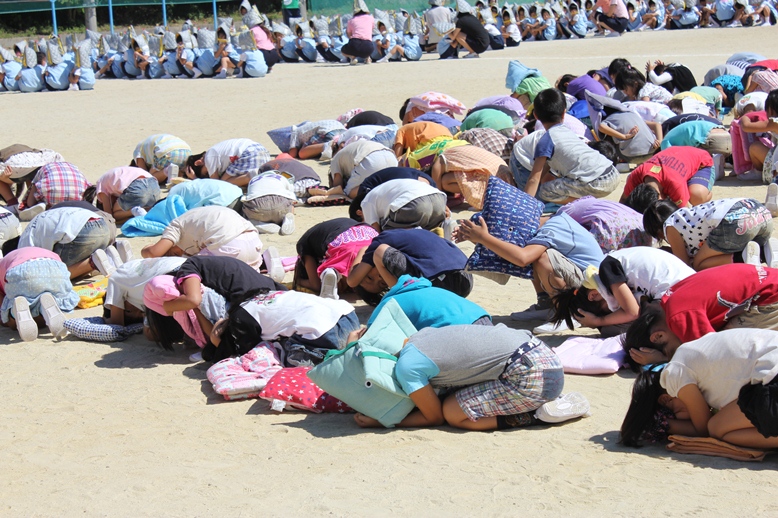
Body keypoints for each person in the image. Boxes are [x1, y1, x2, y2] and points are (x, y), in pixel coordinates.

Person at [353, 325, 574, 431]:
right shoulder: (421, 335)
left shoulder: (407, 367)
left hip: (532, 379)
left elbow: (434, 417)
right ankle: (543, 402)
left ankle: (536, 415)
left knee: (453, 412)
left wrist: (383, 421)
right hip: (546, 359)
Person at [455, 211, 604, 321]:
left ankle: (565, 313)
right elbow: (508, 250)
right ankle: (546, 304)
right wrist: (478, 239)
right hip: (587, 287)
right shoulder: (541, 225)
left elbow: (522, 258)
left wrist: (484, 237)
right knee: (528, 251)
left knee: (542, 258)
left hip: (593, 292)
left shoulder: (553, 227)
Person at [622, 263, 778, 367]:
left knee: (734, 354)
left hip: (769, 297)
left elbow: (710, 356)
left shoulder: (678, 318)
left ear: (658, 336)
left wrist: (666, 359)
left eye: (671, 349)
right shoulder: (669, 299)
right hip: (768, 280)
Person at [550, 246, 694, 334]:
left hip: (679, 292)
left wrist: (599, 320)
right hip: (689, 284)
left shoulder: (608, 268)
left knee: (611, 330)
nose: (615, 309)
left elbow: (632, 312)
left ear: (593, 295)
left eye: (607, 310)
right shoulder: (614, 269)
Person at [209, 288, 359, 364]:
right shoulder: (257, 297)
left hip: (326, 332)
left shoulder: (240, 320)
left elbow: (246, 354)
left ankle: (335, 358)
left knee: (278, 355)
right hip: (347, 315)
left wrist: (216, 341)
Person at [526, 89, 620, 204]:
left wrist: (525, 205)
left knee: (545, 190)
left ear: (535, 115)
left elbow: (533, 179)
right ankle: (588, 202)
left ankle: (587, 204)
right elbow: (546, 165)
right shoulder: (567, 132)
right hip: (612, 173)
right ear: (564, 113)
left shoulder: (545, 141)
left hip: (596, 182)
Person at [642, 197, 774, 270]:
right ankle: (765, 250)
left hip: (734, 221)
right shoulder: (688, 216)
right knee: (737, 246)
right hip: (760, 211)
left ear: (658, 232)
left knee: (698, 265)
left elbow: (684, 266)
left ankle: (743, 258)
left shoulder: (670, 225)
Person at [347, 227, 473, 303]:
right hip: (466, 281)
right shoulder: (408, 237)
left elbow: (352, 281)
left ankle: (402, 297)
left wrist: (359, 261)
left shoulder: (378, 242)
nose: (379, 278)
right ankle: (402, 294)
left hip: (445, 283)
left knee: (380, 252)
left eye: (369, 277)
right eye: (382, 283)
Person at [6, 202, 117, 279]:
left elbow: (35, 269)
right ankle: (111, 253)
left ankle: (92, 263)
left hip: (81, 231)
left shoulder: (23, 247)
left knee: (54, 275)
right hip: (100, 222)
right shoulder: (30, 231)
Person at [141, 206, 264, 271]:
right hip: (254, 244)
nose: (183, 253)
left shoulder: (176, 225)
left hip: (228, 247)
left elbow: (153, 253)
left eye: (175, 253)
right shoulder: (194, 216)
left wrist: (146, 249)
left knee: (188, 270)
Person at [0, 247, 79, 342]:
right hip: (56, 267)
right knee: (53, 296)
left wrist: (6, 320)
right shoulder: (14, 256)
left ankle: (14, 313)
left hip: (22, 272)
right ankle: (46, 308)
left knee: (9, 319)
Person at [368, 274, 492, 329]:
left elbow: (371, 335)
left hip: (457, 328)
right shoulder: (427, 288)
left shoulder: (387, 304)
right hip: (482, 317)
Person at [295, 218, 378, 298]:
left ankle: (333, 272)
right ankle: (333, 272)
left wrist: (298, 281)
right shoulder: (307, 244)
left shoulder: (305, 245)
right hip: (362, 231)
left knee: (348, 261)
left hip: (358, 234)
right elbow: (316, 284)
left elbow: (315, 284)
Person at [620, 146, 715, 214]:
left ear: (660, 198)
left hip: (701, 161)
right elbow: (623, 201)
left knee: (697, 196)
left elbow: (685, 215)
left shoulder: (674, 183)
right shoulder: (635, 176)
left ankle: (706, 194)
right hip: (675, 158)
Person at [103, 257, 186, 326]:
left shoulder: (115, 280)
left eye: (128, 311)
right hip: (186, 263)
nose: (137, 312)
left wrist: (106, 320)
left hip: (173, 275)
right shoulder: (130, 271)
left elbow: (117, 324)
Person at [311, 140, 398, 199]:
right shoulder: (347, 152)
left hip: (370, 159)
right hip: (391, 157)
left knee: (348, 192)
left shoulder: (334, 160)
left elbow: (337, 187)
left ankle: (370, 192)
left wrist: (332, 190)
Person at [356, 178, 448, 232]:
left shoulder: (365, 202)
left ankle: (414, 233)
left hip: (413, 202)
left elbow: (375, 231)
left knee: (385, 232)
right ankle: (446, 226)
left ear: (359, 212)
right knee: (430, 230)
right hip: (438, 198)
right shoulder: (381, 192)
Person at [86, 166, 161, 223]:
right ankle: (146, 211)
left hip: (137, 188)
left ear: (100, 201)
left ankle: (136, 210)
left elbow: (109, 216)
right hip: (154, 185)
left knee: (116, 214)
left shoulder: (101, 187)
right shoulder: (110, 179)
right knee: (144, 206)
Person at [185, 139, 271, 187]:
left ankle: (250, 177)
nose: (209, 174)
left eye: (206, 173)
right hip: (261, 151)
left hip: (249, 153)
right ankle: (253, 176)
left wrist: (195, 178)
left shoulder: (209, 156)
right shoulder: (217, 153)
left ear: (198, 162)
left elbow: (215, 185)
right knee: (230, 180)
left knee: (223, 184)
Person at [20, 162, 91, 215]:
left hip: (52, 195)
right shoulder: (73, 167)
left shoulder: (43, 168)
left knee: (35, 198)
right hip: (77, 196)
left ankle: (45, 205)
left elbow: (34, 186)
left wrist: (29, 203)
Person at [240, 171, 297, 235]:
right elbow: (291, 192)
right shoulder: (280, 177)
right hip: (279, 204)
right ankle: (288, 218)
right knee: (291, 201)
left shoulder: (253, 180)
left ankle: (257, 223)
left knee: (245, 207)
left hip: (258, 207)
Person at [341, 0, 375, 65]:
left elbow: (349, 33)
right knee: (367, 46)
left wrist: (351, 38)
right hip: (368, 46)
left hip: (355, 43)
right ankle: (367, 58)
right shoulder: (371, 18)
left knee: (343, 51)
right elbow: (371, 29)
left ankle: (353, 57)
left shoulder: (351, 20)